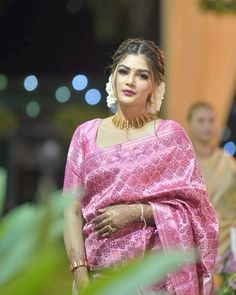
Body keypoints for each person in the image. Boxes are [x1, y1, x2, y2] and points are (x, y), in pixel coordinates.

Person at [63, 38, 218, 294]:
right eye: (123, 71)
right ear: (113, 77)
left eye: (141, 75)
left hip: (156, 278)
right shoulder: (85, 135)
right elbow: (70, 209)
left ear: (154, 85)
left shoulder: (169, 136)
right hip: (99, 274)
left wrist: (137, 212)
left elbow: (196, 209)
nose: (130, 81)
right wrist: (80, 273)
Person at [187, 102, 236, 256]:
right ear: (190, 124)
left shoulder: (227, 162)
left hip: (226, 243)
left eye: (211, 120)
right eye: (201, 121)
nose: (207, 126)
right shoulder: (184, 163)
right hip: (192, 242)